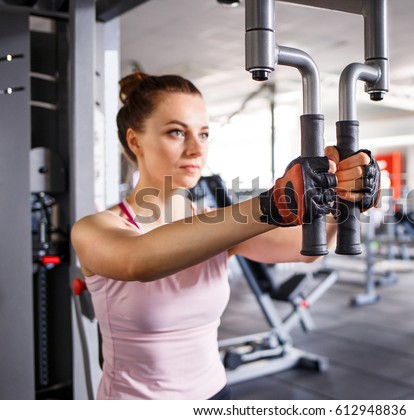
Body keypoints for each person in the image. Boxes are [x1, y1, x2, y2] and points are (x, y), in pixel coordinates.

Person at [70, 71, 380, 400]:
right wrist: (272, 204)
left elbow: (307, 250)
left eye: (203, 134)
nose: (195, 149)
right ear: (134, 141)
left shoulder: (215, 226)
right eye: (176, 132)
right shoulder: (95, 229)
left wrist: (342, 201)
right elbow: (139, 261)